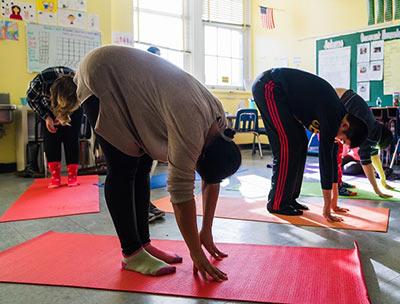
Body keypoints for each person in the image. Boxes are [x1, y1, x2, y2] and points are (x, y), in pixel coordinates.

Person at [52, 45, 241, 282]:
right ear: (200, 156)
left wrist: (206, 232)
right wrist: (196, 253)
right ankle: (132, 253)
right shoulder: (192, 133)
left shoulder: (219, 124)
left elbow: (211, 180)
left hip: (131, 85)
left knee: (142, 168)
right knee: (123, 169)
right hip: (103, 76)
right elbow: (181, 198)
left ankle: (144, 244)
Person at [252, 68, 368, 222]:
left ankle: (289, 198)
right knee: (288, 145)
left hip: (281, 95)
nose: (339, 141)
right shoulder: (332, 116)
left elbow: (333, 160)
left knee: (300, 143)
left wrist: (334, 203)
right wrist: (326, 209)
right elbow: (325, 162)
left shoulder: (339, 119)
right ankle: (277, 202)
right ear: (346, 126)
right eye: (342, 140)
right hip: (269, 87)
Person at [26, 67, 82, 188]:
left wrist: (67, 115)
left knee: (72, 139)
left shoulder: (80, 84)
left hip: (73, 109)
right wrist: (46, 117)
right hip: (48, 108)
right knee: (51, 139)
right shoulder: (39, 84)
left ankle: (73, 177)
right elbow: (31, 100)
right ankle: (55, 178)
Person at [335, 88, 394, 198]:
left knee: (338, 151)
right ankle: (335, 185)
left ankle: (338, 181)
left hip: (343, 96)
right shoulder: (370, 137)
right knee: (334, 150)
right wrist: (377, 190)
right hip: (338, 100)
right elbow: (366, 163)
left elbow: (374, 155)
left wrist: (383, 179)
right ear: (378, 143)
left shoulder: (375, 128)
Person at [145, 45, 166, 223]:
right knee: (132, 170)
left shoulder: (159, 76)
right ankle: (138, 208)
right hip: (131, 124)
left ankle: (146, 203)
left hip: (148, 125)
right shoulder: (139, 72)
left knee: (145, 169)